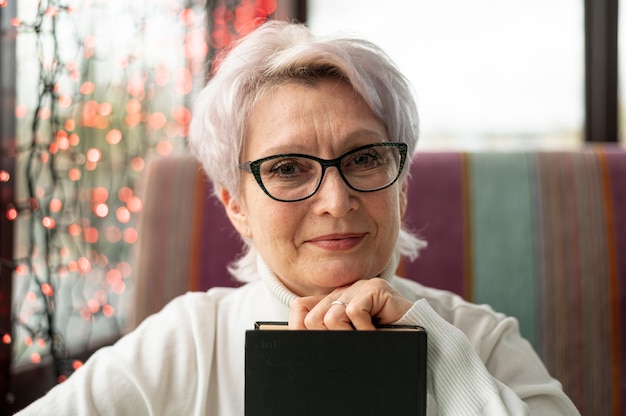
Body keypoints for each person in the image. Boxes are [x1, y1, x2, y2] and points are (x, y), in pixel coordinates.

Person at [18, 21, 579, 415]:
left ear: (401, 184)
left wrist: (436, 352)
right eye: (288, 167)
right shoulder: (189, 343)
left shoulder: (481, 341)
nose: (336, 201)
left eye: (364, 159)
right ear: (236, 204)